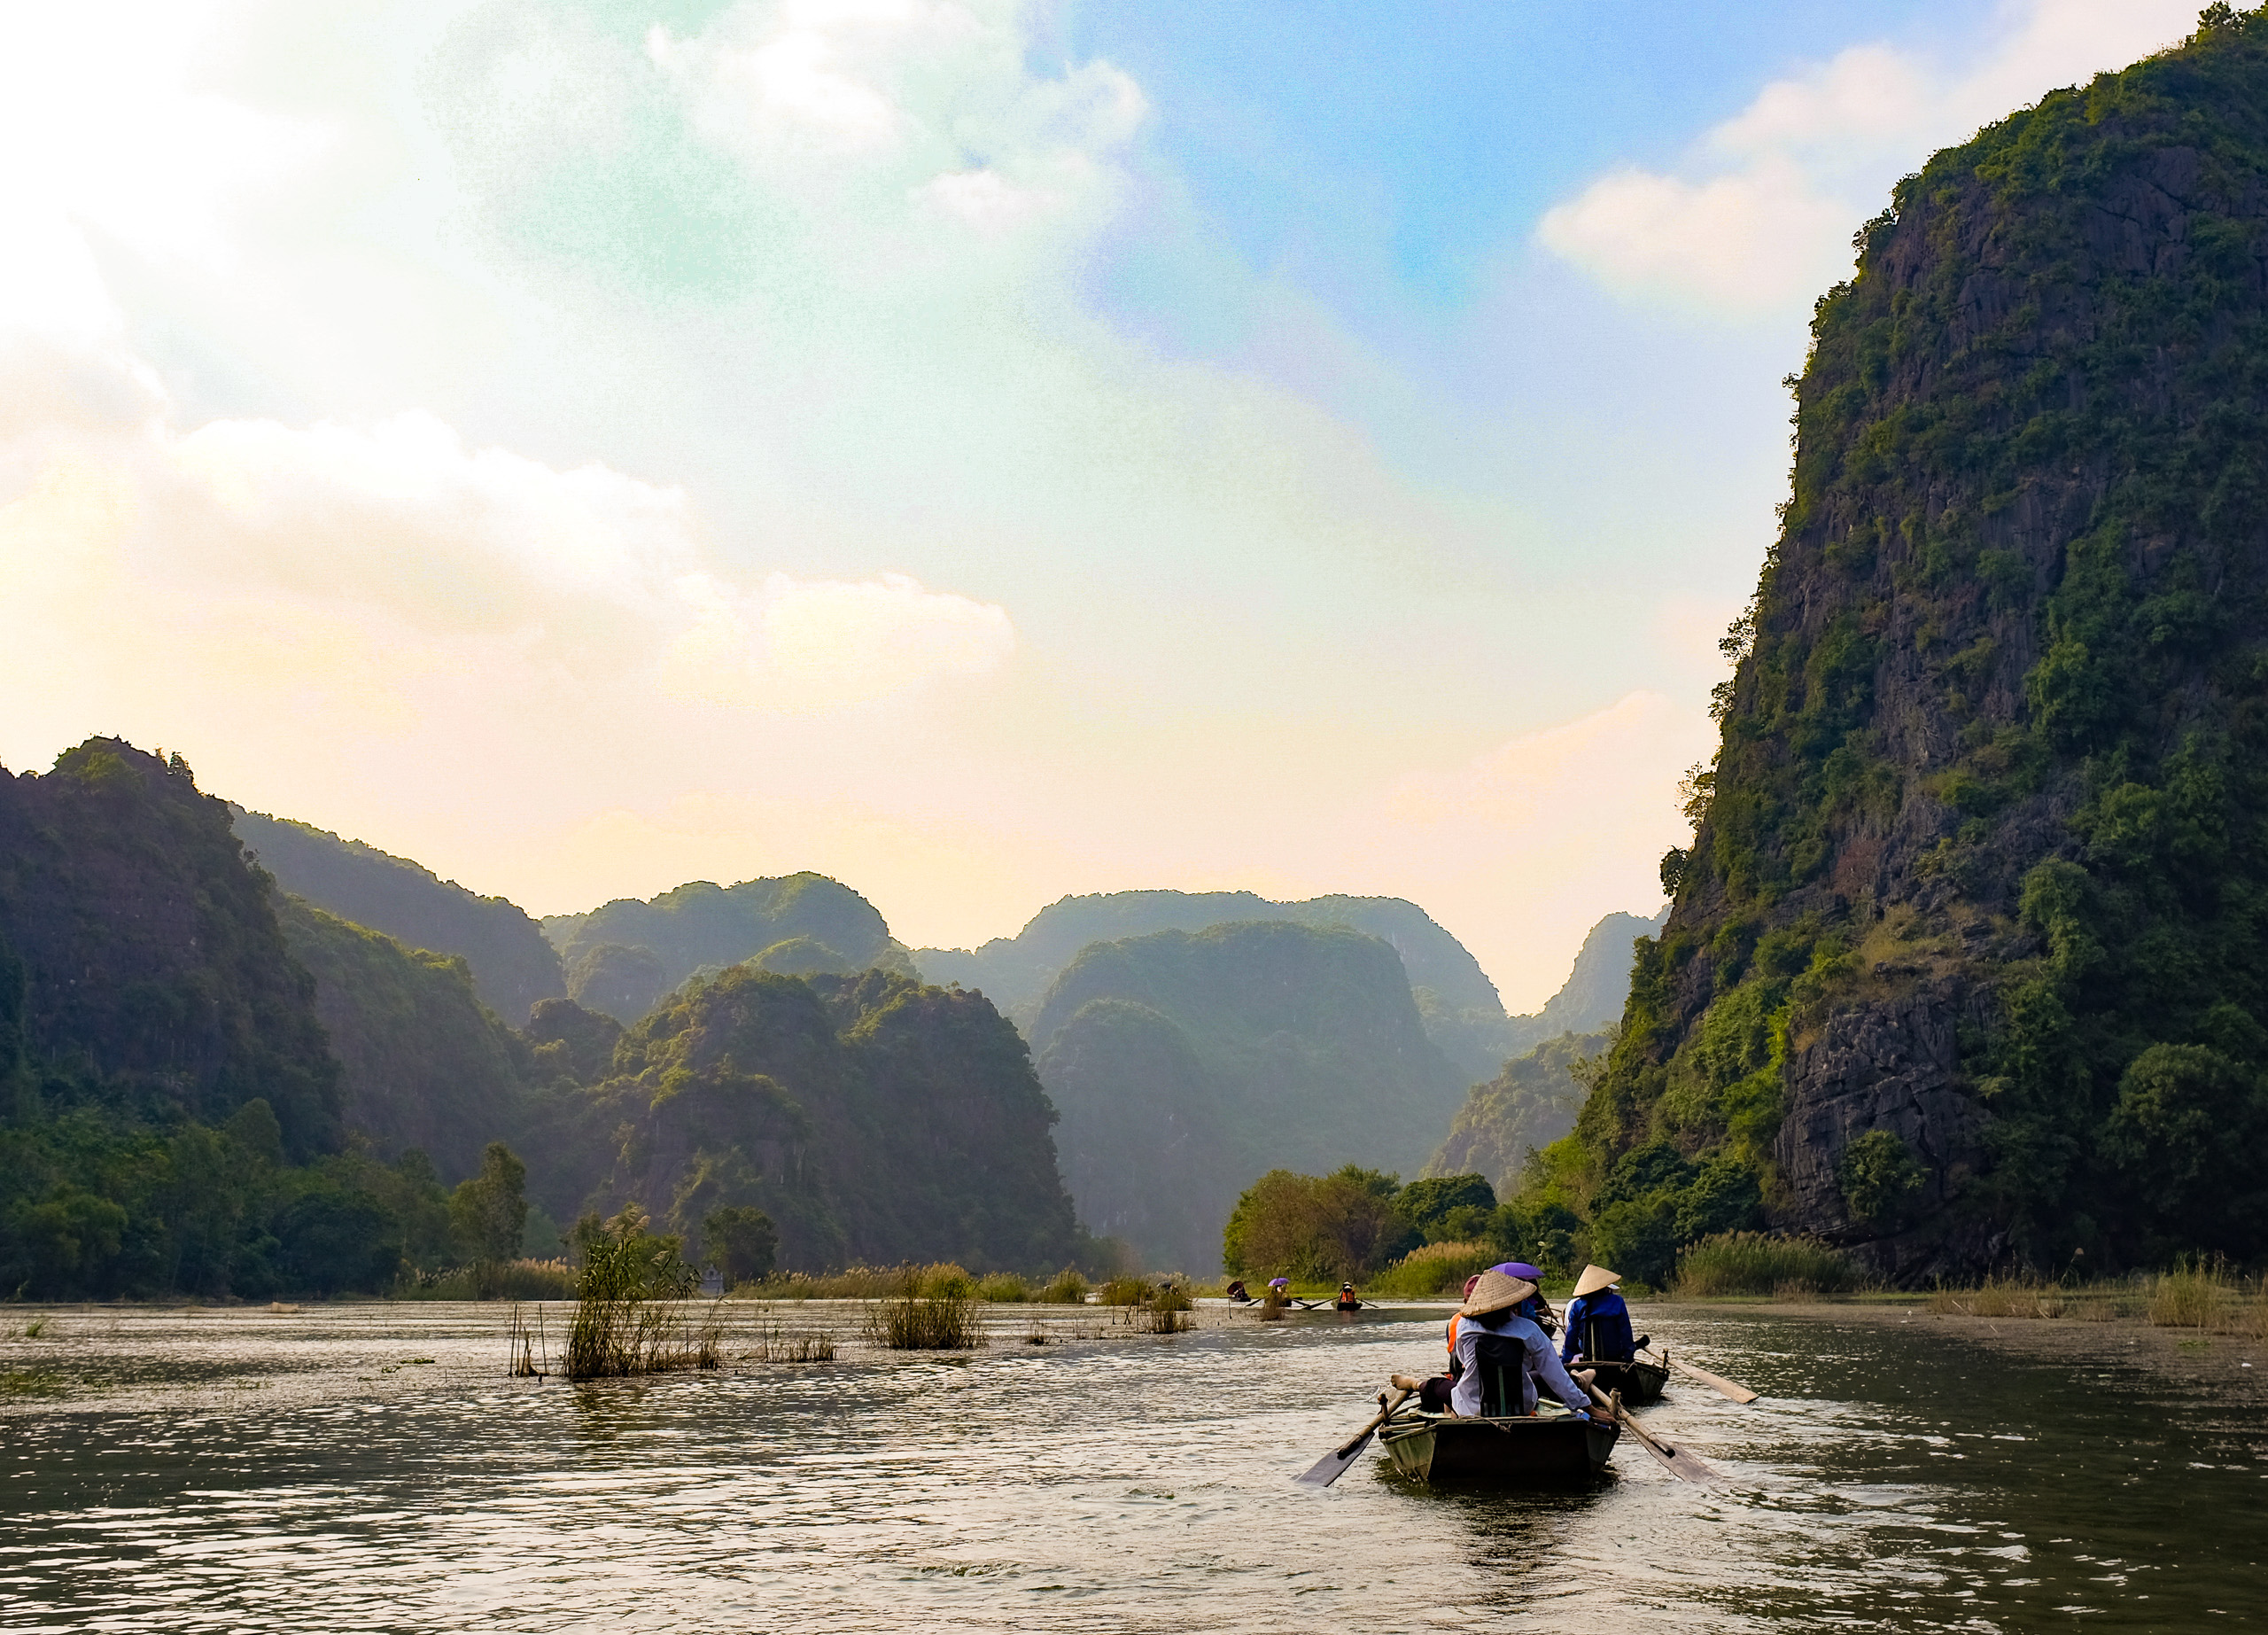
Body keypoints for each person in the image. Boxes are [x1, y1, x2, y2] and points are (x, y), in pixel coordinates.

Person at [1450, 1269, 1593, 1420]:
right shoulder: (1528, 1329)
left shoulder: (1464, 1327)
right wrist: (1588, 1407)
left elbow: (1464, 1359)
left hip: (1472, 1408)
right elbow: (1554, 1372)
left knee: (1456, 1395)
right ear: (1511, 1303)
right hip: (1521, 1407)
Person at [1560, 1264, 1637, 1367]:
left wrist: (1564, 1362)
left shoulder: (1577, 1306)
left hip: (1587, 1357)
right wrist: (1628, 1357)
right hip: (1615, 1357)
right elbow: (1626, 1334)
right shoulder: (1617, 1301)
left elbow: (1571, 1339)